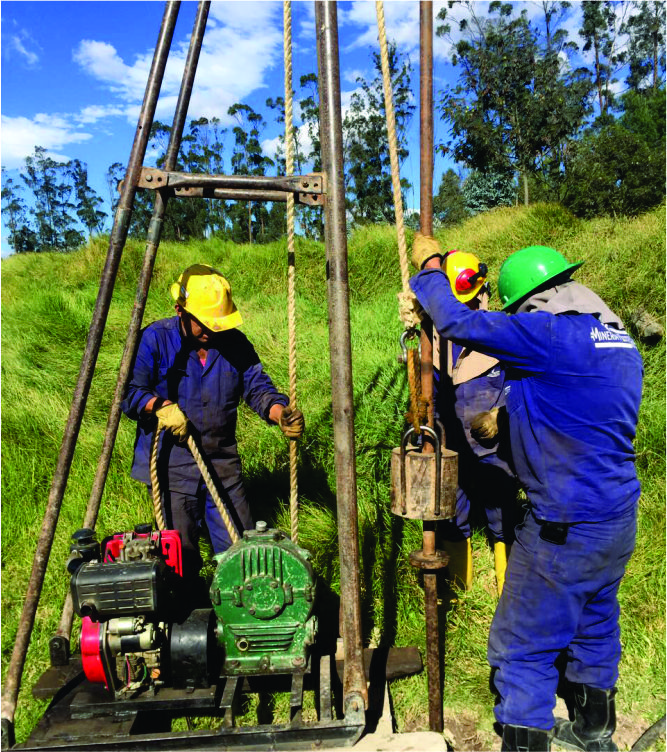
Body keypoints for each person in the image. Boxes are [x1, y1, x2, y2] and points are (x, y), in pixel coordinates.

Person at [410, 237, 642, 752]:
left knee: (521, 645)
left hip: (563, 524)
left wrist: (429, 269)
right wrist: (509, 415)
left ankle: (524, 741)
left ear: (530, 302)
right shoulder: (620, 343)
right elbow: (579, 413)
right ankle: (594, 733)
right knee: (595, 624)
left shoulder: (547, 332)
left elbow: (458, 323)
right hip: (617, 519)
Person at [121, 263, 304, 575]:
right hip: (171, 467)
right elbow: (129, 392)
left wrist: (280, 413)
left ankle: (235, 605)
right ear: (180, 311)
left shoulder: (235, 344)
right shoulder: (154, 339)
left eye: (216, 322)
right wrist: (160, 406)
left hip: (222, 465)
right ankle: (189, 603)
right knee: (180, 562)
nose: (210, 330)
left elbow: (258, 389)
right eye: (202, 322)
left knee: (242, 558)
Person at [431, 250, 519, 595]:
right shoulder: (434, 340)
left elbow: (522, 384)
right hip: (450, 443)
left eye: (471, 297)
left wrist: (501, 414)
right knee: (453, 512)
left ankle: (508, 588)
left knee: (503, 510)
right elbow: (427, 396)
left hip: (493, 448)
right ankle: (459, 589)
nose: (467, 306)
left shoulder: (499, 332)